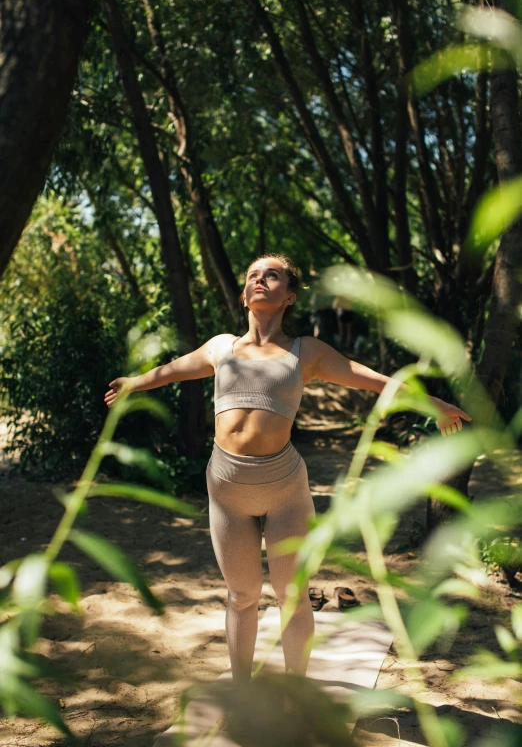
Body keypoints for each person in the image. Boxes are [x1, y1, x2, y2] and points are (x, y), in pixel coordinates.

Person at [104, 254, 470, 686]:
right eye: (253, 275)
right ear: (244, 295)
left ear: (289, 296)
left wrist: (436, 404)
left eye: (271, 275)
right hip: (226, 485)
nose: (260, 279)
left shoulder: (306, 352)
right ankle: (243, 691)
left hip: (283, 490)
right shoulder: (222, 347)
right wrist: (135, 382)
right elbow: (172, 370)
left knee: (291, 596)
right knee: (241, 596)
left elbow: (371, 379)